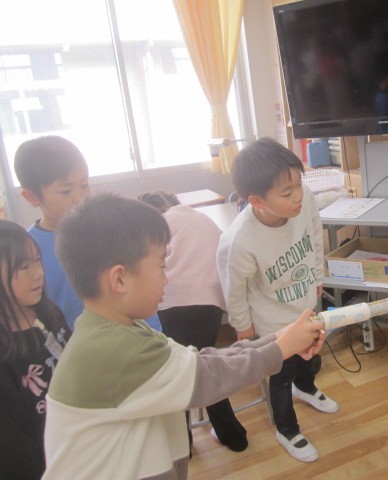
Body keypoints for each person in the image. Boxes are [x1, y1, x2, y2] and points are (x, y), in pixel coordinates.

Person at [43, 193, 325, 480]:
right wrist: (282, 347)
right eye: (161, 266)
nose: (166, 277)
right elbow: (208, 377)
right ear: (120, 279)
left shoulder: (122, 331)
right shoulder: (113, 351)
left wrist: (280, 337)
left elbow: (199, 360)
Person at [217, 137, 339, 463]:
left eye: (298, 184)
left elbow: (315, 233)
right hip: (273, 322)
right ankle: (287, 429)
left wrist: (317, 276)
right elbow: (234, 289)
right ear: (257, 200)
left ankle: (306, 387)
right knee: (281, 375)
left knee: (310, 357)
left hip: (305, 302)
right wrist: (243, 327)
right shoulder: (239, 240)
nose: (298, 195)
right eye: (287, 193)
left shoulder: (304, 200)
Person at [14, 135, 162, 333]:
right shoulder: (28, 251)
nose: (80, 197)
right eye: (66, 191)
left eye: (84, 185)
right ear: (32, 197)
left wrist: (153, 333)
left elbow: (138, 284)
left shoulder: (110, 230)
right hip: (80, 345)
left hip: (137, 337)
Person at [138, 191, 247, 453]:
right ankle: (232, 435)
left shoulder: (159, 225)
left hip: (173, 302)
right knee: (201, 365)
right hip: (211, 302)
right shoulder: (201, 218)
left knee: (180, 371)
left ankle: (184, 444)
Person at [0, 220, 70, 480]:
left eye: (37, 261)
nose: (38, 273)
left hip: (73, 446)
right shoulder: (6, 348)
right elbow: (12, 444)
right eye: (23, 266)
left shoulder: (50, 314)